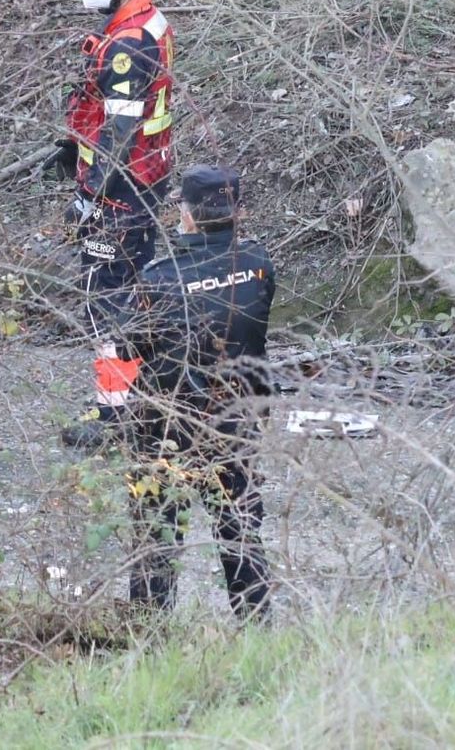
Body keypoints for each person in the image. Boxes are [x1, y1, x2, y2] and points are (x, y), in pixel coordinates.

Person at [119, 165, 274, 620]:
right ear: (237, 212)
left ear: (186, 216)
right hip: (235, 423)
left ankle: (148, 638)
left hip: (166, 429)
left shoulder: (158, 278)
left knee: (157, 537)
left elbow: (129, 344)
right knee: (240, 534)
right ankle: (259, 633)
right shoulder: (258, 265)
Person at [56, 0, 176, 450]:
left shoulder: (128, 44)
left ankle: (117, 416)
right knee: (124, 292)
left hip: (120, 189)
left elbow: (122, 128)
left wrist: (89, 194)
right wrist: (71, 148)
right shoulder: (144, 22)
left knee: (108, 300)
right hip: (141, 178)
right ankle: (131, 401)